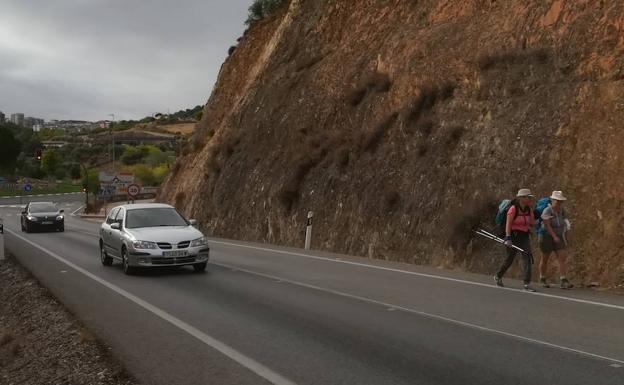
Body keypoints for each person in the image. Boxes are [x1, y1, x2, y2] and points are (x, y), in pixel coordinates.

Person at [494, 189, 536, 291]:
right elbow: (508, 224)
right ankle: (498, 276)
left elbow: (532, 223)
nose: (529, 199)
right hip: (513, 236)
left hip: (524, 236)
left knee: (527, 257)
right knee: (510, 259)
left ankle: (526, 283)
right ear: (521, 198)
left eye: (530, 197)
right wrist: (508, 238)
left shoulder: (528, 209)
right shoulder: (513, 209)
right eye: (527, 197)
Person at [538, 191, 573, 289]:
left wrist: (566, 236)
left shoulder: (562, 211)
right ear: (552, 200)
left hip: (559, 236)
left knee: (562, 257)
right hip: (546, 236)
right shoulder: (547, 210)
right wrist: (554, 236)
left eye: (560, 201)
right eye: (557, 201)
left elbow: (566, 224)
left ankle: (563, 279)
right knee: (545, 258)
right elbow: (547, 225)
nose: (559, 203)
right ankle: (542, 278)